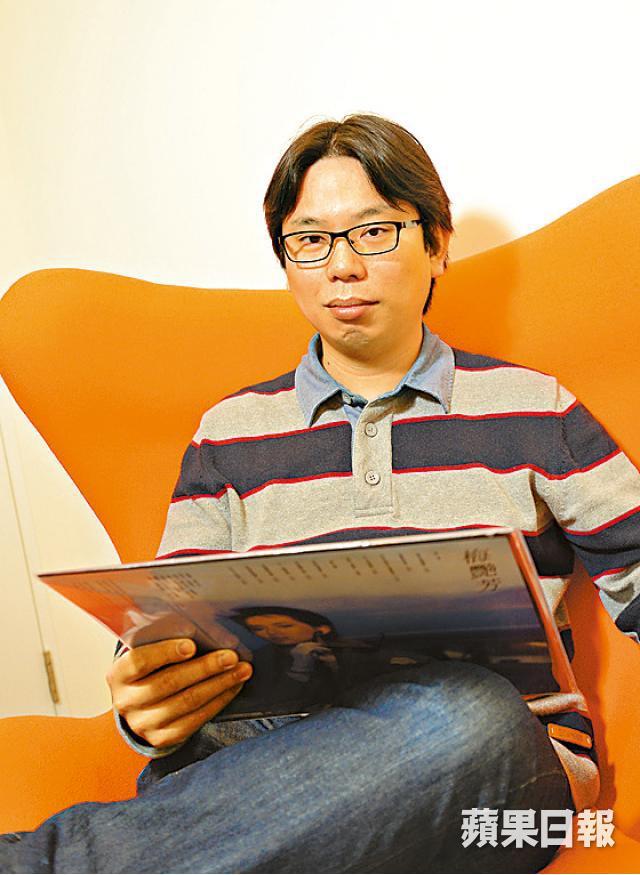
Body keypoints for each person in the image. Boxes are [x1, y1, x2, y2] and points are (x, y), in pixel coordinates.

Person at [2, 113, 639, 873]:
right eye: (309, 240)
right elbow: (167, 623)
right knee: (214, 752)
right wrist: (148, 703)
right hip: (264, 753)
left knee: (467, 713)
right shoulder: (227, 432)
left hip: (485, 767)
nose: (342, 266)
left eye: (374, 232)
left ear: (437, 243)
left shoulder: (537, 409)